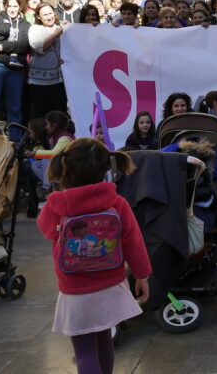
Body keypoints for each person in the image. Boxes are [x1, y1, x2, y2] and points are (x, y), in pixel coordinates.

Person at [36, 138, 150, 374]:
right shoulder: (117, 202)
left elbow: (47, 230)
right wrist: (142, 275)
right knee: (104, 340)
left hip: (75, 287)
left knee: (85, 351)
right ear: (106, 168)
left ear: (65, 167)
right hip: (110, 282)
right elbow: (134, 242)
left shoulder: (56, 205)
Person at [26, 3, 68, 119]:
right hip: (39, 81)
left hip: (58, 80)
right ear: (38, 17)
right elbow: (40, 46)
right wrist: (55, 34)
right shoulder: (35, 29)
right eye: (45, 15)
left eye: (50, 13)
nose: (49, 17)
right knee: (39, 114)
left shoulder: (62, 27)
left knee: (59, 114)